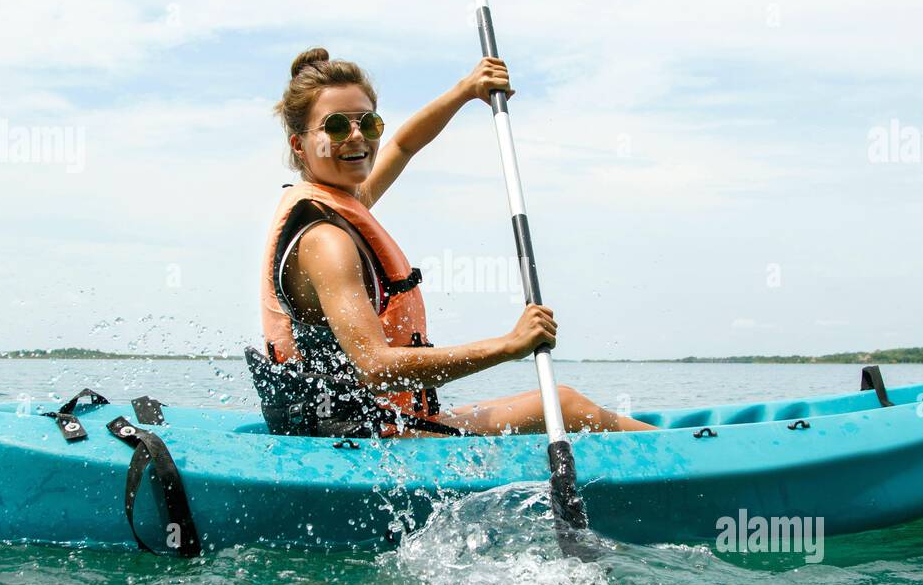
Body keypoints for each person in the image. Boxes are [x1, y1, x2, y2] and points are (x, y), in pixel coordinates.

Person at [256, 47, 655, 438]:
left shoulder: (343, 201)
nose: (357, 136)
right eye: (337, 126)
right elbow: (375, 369)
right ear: (299, 144)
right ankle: (695, 463)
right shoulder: (326, 241)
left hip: (380, 423)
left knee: (563, 400)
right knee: (566, 406)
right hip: (362, 440)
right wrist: (507, 346)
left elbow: (404, 145)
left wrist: (467, 90)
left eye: (369, 123)